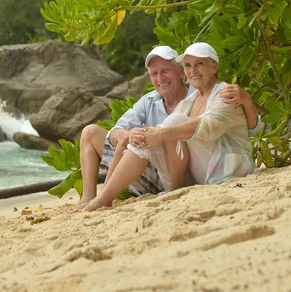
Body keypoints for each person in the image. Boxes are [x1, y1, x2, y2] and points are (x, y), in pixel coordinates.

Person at [78, 45, 263, 209]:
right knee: (146, 134)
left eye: (199, 64)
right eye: (189, 65)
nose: (193, 70)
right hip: (195, 171)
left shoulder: (226, 93)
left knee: (171, 123)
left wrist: (160, 133)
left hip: (229, 170)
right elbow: (125, 131)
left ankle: (169, 189)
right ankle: (102, 198)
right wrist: (143, 134)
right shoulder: (190, 100)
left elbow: (211, 125)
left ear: (214, 67)